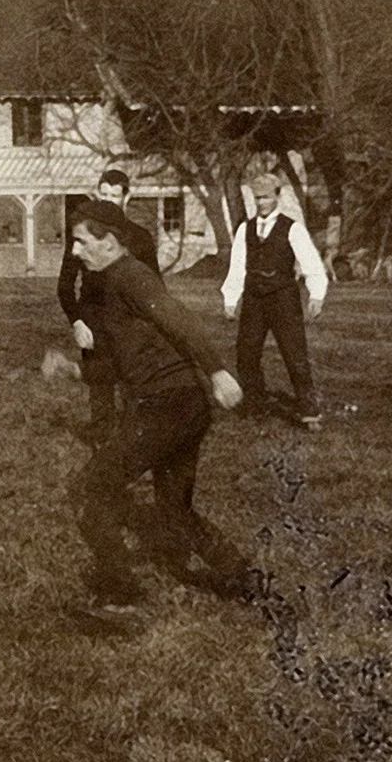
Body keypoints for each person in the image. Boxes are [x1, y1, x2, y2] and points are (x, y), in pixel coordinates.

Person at [66, 199, 254, 617]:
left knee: (93, 489)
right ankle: (245, 579)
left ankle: (120, 594)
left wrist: (219, 371)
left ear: (110, 242)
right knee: (173, 511)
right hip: (186, 405)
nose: (75, 252)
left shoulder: (132, 276)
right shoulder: (107, 285)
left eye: (81, 242)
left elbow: (179, 319)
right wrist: (74, 372)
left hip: (166, 405)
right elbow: (121, 365)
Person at [56, 169, 158, 440]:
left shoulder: (140, 237)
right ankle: (101, 447)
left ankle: (135, 443)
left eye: (116, 195)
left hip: (131, 324)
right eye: (104, 193)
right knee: (99, 389)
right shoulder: (82, 236)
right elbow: (65, 286)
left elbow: (156, 289)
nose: (110, 200)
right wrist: (77, 322)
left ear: (127, 197)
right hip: (94, 321)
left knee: (133, 388)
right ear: (96, 193)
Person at [221, 169, 329, 423]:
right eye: (257, 198)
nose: (261, 203)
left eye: (266, 198)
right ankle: (256, 404)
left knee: (295, 354)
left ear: (277, 197)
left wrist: (316, 295)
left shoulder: (292, 229)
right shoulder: (245, 230)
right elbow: (237, 266)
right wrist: (230, 298)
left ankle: (309, 410)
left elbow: (311, 263)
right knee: (246, 353)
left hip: (283, 298)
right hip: (254, 299)